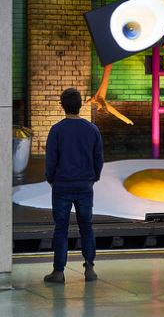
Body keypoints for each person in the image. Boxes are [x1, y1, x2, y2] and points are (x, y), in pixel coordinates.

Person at [43, 88, 103, 284]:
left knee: (61, 228)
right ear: (80, 105)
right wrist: (93, 177)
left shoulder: (57, 130)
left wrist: (50, 178)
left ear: (62, 106)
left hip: (62, 186)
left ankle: (58, 271)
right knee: (86, 226)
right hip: (85, 186)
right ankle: (89, 268)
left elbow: (51, 160)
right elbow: (98, 158)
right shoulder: (92, 130)